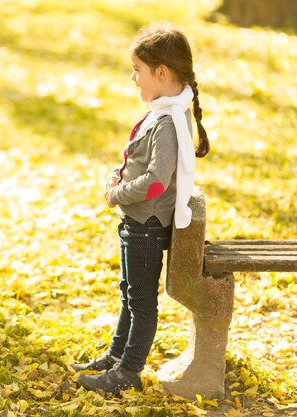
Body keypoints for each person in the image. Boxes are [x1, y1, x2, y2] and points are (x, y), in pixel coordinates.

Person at [71, 22, 210, 394]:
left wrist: (117, 194)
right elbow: (139, 158)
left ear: (161, 73)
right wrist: (118, 173)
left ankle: (128, 371)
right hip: (138, 222)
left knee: (141, 301)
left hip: (146, 223)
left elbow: (155, 181)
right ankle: (116, 356)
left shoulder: (168, 121)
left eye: (138, 70)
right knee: (129, 292)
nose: (134, 79)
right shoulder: (165, 110)